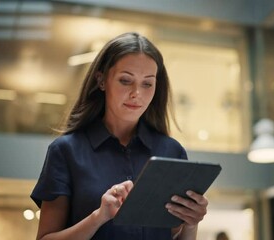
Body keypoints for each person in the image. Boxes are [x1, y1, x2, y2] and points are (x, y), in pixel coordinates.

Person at [30, 32, 208, 240]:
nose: (136, 93)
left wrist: (191, 224)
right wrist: (99, 216)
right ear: (102, 80)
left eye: (147, 83)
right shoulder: (66, 151)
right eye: (125, 80)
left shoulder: (172, 152)